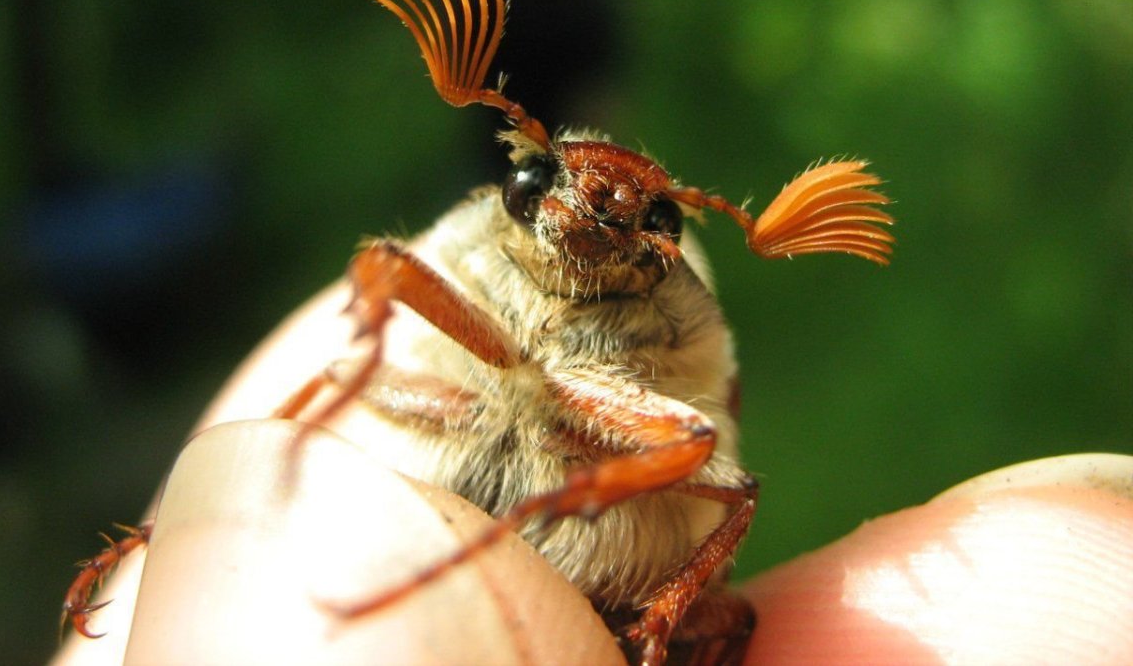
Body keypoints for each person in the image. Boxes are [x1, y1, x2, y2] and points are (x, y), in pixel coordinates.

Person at [54, 283, 1133, 665]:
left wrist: (667, 611)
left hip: (610, 587)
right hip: (449, 463)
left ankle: (657, 624)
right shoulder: (458, 291)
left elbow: (712, 459)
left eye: (644, 223)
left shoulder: (676, 361)